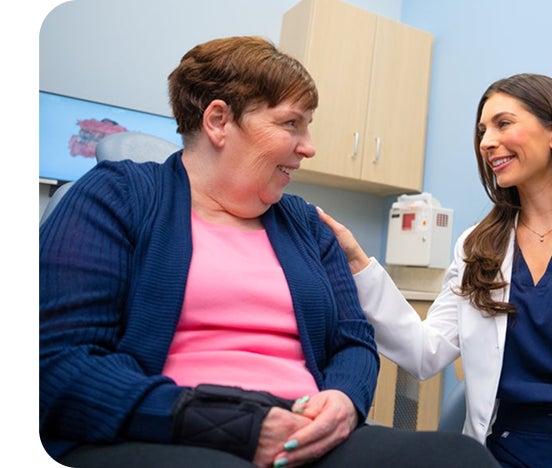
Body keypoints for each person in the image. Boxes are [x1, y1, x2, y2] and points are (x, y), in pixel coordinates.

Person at [39, 36, 502, 468]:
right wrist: (232, 425)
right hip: (169, 429)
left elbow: (353, 342)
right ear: (219, 120)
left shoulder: (303, 223)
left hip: (306, 435)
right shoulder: (116, 198)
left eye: (308, 126)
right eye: (290, 124)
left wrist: (343, 402)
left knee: (458, 457)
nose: (309, 147)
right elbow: (58, 363)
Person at [318, 73, 552, 467]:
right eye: (482, 131)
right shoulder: (477, 246)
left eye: (503, 123)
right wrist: (359, 263)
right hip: (502, 450)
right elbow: (425, 351)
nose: (486, 142)